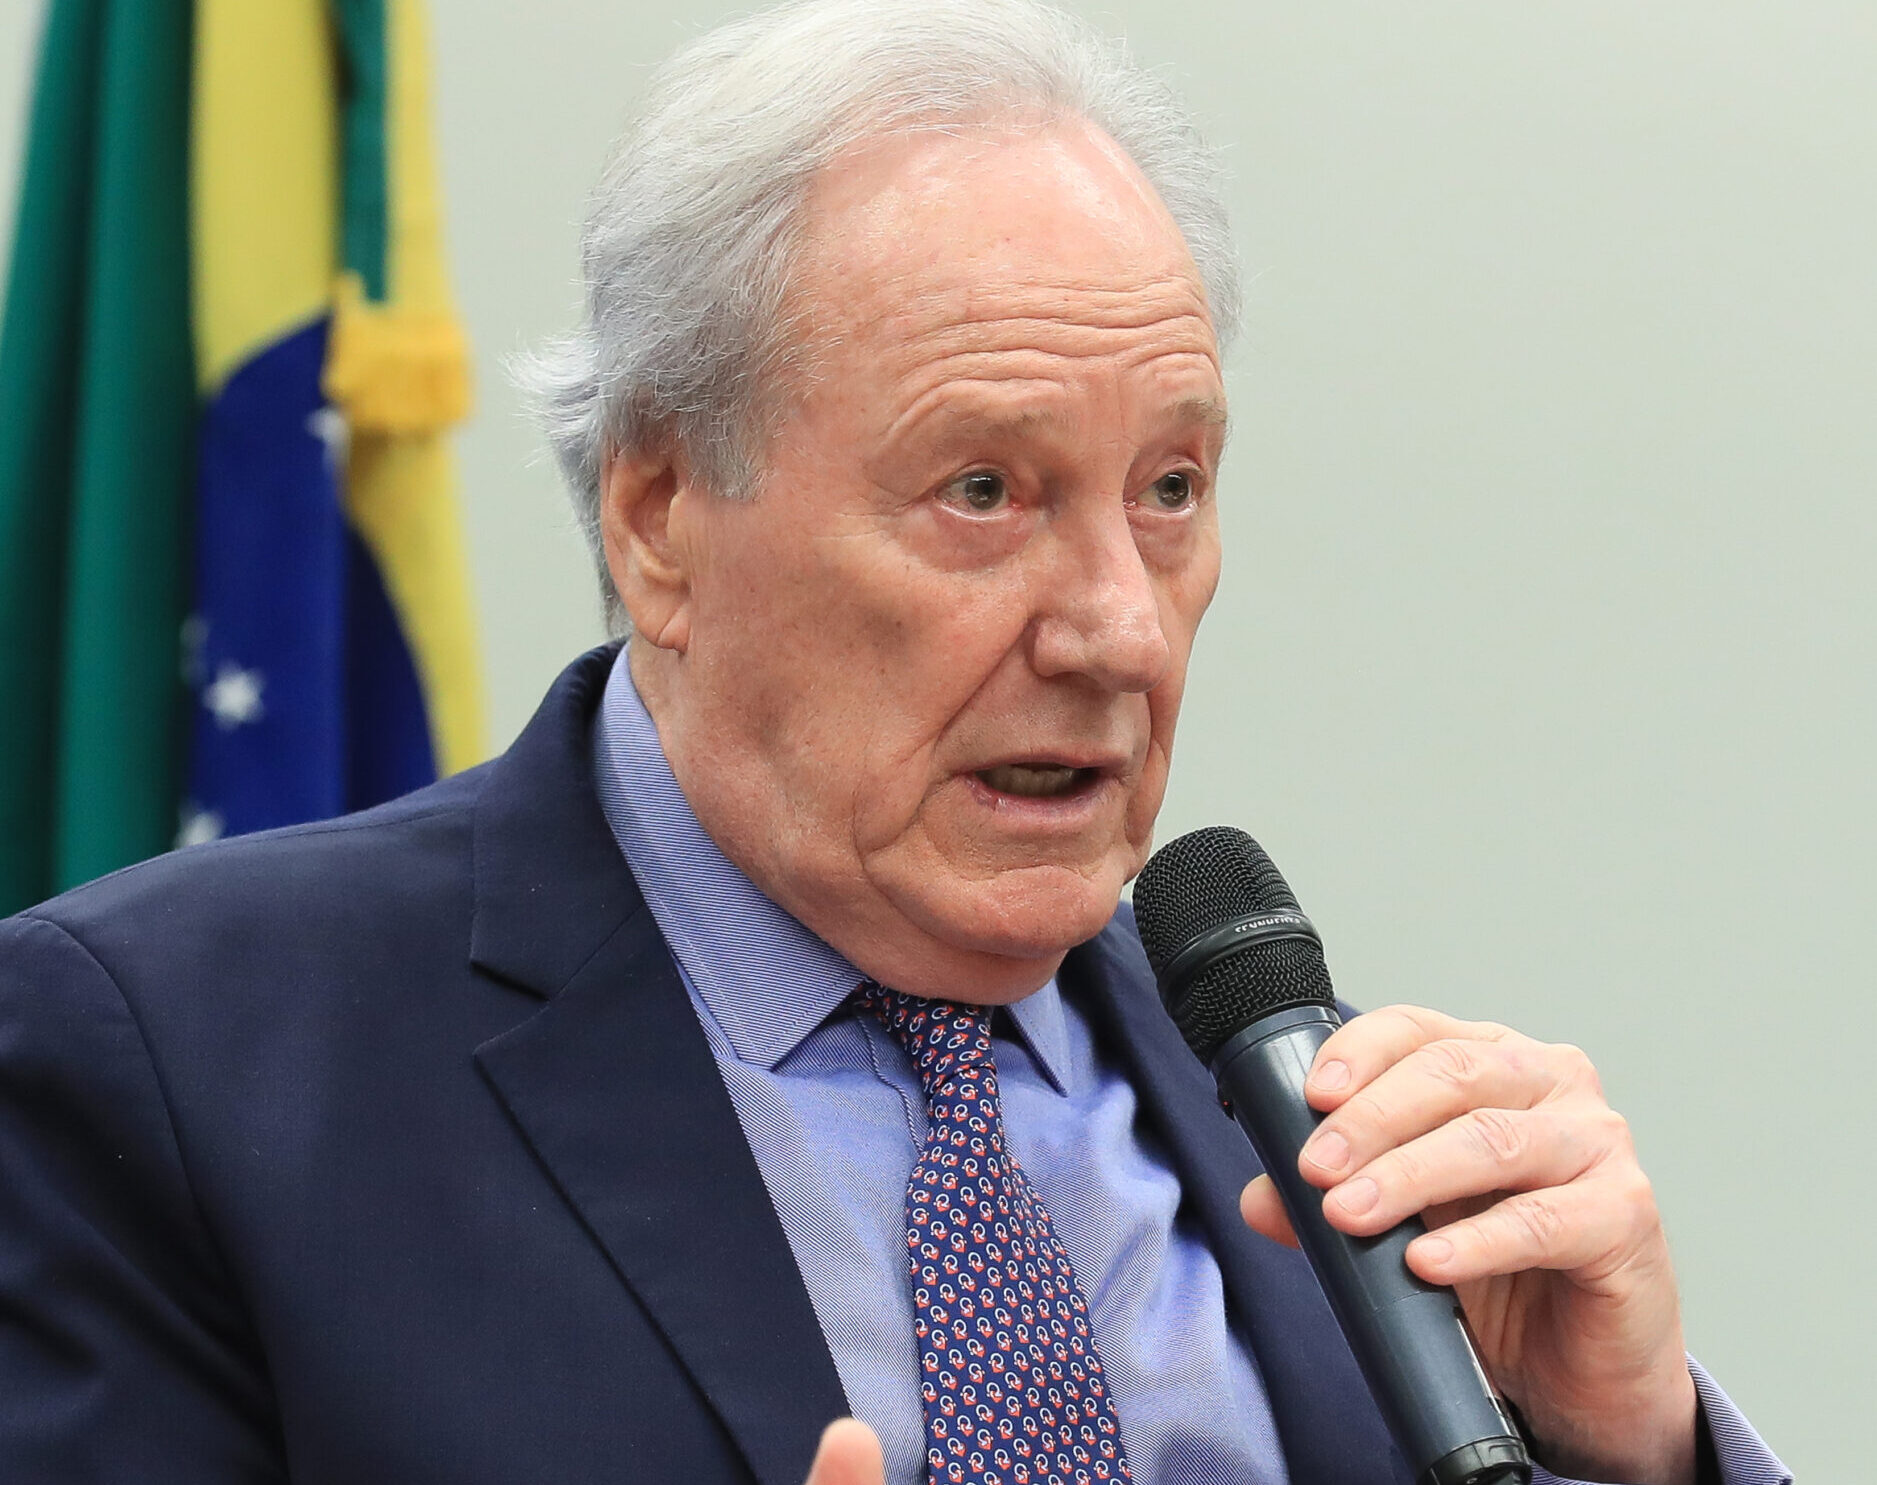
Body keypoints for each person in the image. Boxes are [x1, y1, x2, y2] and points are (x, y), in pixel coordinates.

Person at [0, 2, 1788, 1483]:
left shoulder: (1317, 1126)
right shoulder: (181, 1071)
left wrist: (1630, 1448)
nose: (1118, 627)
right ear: (658, 515)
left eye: (1170, 487)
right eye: (983, 490)